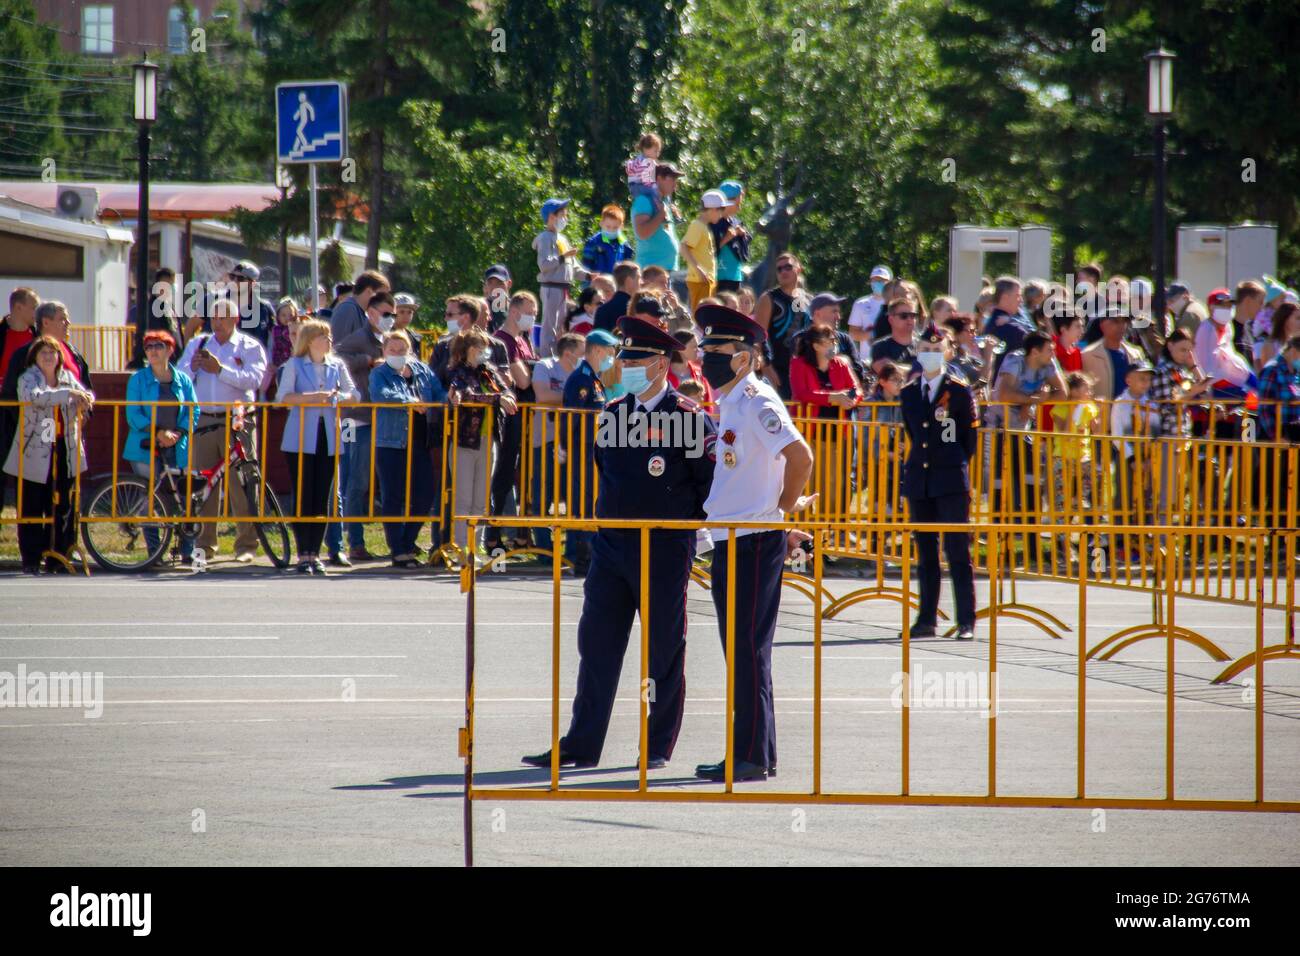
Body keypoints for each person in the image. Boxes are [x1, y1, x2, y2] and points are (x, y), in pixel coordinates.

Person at [522, 317, 716, 771]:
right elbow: (604, 470)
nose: (624, 365)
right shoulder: (613, 412)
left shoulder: (688, 418)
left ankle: (656, 746)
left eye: (634, 358)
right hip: (612, 546)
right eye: (623, 357)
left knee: (663, 651)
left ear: (662, 363)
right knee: (597, 645)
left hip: (665, 547)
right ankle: (581, 744)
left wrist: (693, 535)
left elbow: (708, 485)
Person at [689, 304, 814, 782]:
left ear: (743, 358)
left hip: (755, 538)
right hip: (734, 537)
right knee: (741, 649)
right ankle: (753, 750)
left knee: (747, 649)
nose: (707, 357)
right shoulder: (732, 402)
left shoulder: (757, 400)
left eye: (716, 350)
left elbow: (800, 457)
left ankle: (753, 756)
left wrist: (780, 512)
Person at [899, 324, 979, 640]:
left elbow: (968, 440)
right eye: (925, 350)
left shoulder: (959, 391)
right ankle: (926, 619)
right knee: (926, 553)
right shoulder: (909, 393)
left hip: (950, 480)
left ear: (947, 351)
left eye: (937, 349)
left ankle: (965, 620)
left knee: (958, 552)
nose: (930, 355)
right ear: (918, 352)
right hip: (921, 479)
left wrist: (952, 464)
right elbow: (913, 433)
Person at [177, 297, 268, 563]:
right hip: (204, 418)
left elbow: (255, 379)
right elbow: (181, 376)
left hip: (237, 419)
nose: (217, 322)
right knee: (205, 485)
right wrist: (192, 367)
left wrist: (221, 370)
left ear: (235, 320)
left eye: (223, 317)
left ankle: (246, 546)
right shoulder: (198, 343)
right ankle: (205, 545)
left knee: (242, 483)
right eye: (214, 317)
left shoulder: (249, 346)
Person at [4, 335, 94, 574]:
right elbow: (33, 396)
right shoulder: (28, 377)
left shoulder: (67, 376)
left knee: (62, 504)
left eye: (52, 353)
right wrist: (68, 396)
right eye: (43, 352)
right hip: (36, 448)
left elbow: (84, 393)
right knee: (32, 504)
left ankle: (59, 556)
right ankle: (32, 558)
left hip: (65, 446)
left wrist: (85, 400)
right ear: (35, 356)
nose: (48, 357)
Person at [278, 320, 358, 574]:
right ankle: (303, 553)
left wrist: (337, 397)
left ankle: (316, 553)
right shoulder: (294, 364)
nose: (329, 341)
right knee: (303, 494)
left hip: (329, 436)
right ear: (310, 340)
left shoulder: (337, 365)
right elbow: (284, 398)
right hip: (300, 437)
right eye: (324, 336)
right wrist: (313, 398)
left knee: (322, 495)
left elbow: (354, 394)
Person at [370, 329, 446, 569]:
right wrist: (410, 402)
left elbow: (439, 394)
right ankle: (398, 550)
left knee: (424, 495)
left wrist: (452, 397)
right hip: (390, 442)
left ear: (409, 351)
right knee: (393, 496)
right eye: (392, 350)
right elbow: (380, 395)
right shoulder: (379, 373)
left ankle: (407, 542)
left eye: (402, 350)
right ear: (384, 350)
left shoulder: (422, 370)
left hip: (420, 442)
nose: (397, 354)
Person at [124, 330, 200, 565]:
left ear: (169, 350)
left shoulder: (183, 379)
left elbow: (192, 409)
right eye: (148, 347)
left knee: (184, 496)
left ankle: (188, 551)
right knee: (150, 499)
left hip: (177, 446)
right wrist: (157, 432)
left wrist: (178, 433)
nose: (153, 351)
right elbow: (132, 413)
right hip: (145, 446)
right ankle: (154, 553)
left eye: (158, 346)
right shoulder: (137, 379)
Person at [335, 291, 398, 561]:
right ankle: (355, 541)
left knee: (388, 482)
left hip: (385, 419)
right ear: (371, 313)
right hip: (358, 418)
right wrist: (368, 361)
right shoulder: (357, 339)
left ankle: (397, 542)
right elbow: (337, 359)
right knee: (356, 481)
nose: (390, 319)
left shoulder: (392, 340)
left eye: (393, 315)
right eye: (386, 314)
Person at [445, 327, 517, 562]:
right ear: (466, 351)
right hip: (465, 441)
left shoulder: (489, 372)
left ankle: (475, 548)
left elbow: (506, 391)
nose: (483, 352)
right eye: (478, 348)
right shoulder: (457, 373)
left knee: (481, 499)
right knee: (464, 498)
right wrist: (498, 399)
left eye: (485, 348)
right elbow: (467, 395)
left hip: (488, 440)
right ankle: (460, 548)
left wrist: (506, 396)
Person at [561, 328, 619, 574]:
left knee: (591, 501)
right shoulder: (581, 378)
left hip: (594, 448)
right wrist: (565, 446)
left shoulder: (595, 378)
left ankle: (589, 555)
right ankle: (579, 557)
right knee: (581, 503)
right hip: (581, 450)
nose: (612, 356)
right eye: (609, 352)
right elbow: (570, 418)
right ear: (596, 350)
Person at [487, 291, 538, 552]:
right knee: (503, 476)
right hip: (508, 418)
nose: (533, 318)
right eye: (531, 312)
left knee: (520, 475)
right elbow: (523, 379)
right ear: (516, 312)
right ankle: (493, 536)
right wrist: (531, 366)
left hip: (524, 418)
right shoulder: (502, 341)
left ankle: (521, 535)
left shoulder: (523, 340)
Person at [530, 333, 583, 554]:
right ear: (569, 353)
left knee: (575, 497)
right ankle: (544, 550)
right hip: (546, 440)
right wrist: (574, 397)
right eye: (582, 352)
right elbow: (542, 395)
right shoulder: (545, 366)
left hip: (576, 441)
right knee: (543, 494)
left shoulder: (585, 372)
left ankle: (573, 551)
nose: (586, 356)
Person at [534, 197, 590, 357]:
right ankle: (546, 357)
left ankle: (557, 356)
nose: (565, 219)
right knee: (549, 325)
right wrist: (563, 257)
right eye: (562, 215)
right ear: (551, 216)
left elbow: (573, 267)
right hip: (551, 286)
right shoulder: (545, 237)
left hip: (563, 288)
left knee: (560, 326)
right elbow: (544, 264)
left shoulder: (562, 238)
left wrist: (588, 275)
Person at [753, 252, 812, 398]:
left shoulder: (809, 300)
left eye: (788, 267)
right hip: (777, 369)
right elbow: (758, 336)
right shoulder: (769, 298)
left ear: (799, 269)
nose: (783, 271)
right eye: (779, 269)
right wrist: (767, 369)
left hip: (804, 368)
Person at [0, 287, 39, 499]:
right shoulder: (2, 335)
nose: (36, 312)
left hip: (29, 410)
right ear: (18, 307)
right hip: (3, 409)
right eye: (33, 307)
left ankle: (27, 523)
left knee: (27, 470)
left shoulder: (38, 338)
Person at [1193, 288, 1257, 398]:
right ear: (1211, 308)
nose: (1227, 309)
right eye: (1222, 306)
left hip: (1231, 378)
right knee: (1246, 397)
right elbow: (1205, 364)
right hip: (1213, 385)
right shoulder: (1206, 329)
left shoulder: (1228, 327)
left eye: (1229, 306)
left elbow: (1230, 357)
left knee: (1260, 391)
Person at [1082, 308, 1146, 402]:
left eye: (1124, 322)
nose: (1121, 326)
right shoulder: (1087, 355)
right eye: (1115, 321)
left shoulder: (1136, 353)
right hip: (1102, 415)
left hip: (1131, 413)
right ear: (1102, 325)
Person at [632, 163, 684, 274]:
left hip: (668, 269)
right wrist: (661, 215)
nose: (675, 184)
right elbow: (642, 232)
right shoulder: (644, 200)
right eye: (672, 179)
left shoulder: (664, 201)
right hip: (651, 271)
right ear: (659, 178)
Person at [681, 189, 728, 312]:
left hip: (706, 280)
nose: (722, 214)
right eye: (721, 210)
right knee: (700, 316)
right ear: (712, 209)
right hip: (699, 280)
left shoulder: (704, 227)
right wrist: (699, 270)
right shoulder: (697, 225)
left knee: (708, 315)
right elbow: (684, 247)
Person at [127, 268, 183, 369]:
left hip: (173, 364)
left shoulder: (169, 307)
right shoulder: (152, 310)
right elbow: (155, 337)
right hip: (161, 365)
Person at [1257, 333, 1300, 445]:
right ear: (1294, 351)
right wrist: (1277, 436)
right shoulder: (1272, 370)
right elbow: (1264, 407)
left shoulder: (1296, 372)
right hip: (1278, 436)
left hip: (1294, 432)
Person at [328, 270, 390, 343]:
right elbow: (337, 345)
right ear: (369, 291)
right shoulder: (347, 309)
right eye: (382, 296)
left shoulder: (363, 313)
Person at [712, 180, 751, 293]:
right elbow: (708, 251)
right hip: (718, 276)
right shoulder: (713, 222)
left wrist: (743, 235)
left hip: (734, 276)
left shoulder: (735, 222)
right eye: (738, 202)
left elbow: (745, 245)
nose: (740, 206)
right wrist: (726, 238)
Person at [581, 205, 635, 280]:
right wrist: (588, 288)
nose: (611, 230)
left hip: (617, 286)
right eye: (608, 227)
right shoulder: (593, 243)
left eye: (615, 227)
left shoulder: (624, 245)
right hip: (598, 286)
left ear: (621, 227)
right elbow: (585, 268)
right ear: (601, 223)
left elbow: (627, 268)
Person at [870, 295, 920, 376]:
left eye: (913, 315)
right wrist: (918, 369)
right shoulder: (880, 347)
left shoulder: (924, 345)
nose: (909, 319)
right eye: (904, 316)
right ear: (891, 319)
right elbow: (888, 374)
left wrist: (895, 366)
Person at [849, 264, 892, 359]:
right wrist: (874, 334)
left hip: (892, 359)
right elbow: (853, 334)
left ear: (889, 283)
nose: (877, 283)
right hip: (867, 359)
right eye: (874, 280)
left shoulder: (895, 304)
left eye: (881, 281)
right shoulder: (860, 304)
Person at [594, 261, 640, 332]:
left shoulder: (602, 310)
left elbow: (598, 340)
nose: (641, 282)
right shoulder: (637, 308)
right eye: (638, 278)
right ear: (629, 281)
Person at [1259, 302, 1300, 369]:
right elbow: (1268, 373)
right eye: (1298, 318)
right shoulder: (1270, 346)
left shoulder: (1296, 345)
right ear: (1285, 320)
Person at [482, 264, 513, 332]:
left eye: (499, 283)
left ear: (509, 284)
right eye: (490, 283)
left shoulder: (516, 308)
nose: (494, 287)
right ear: (486, 286)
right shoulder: (482, 309)